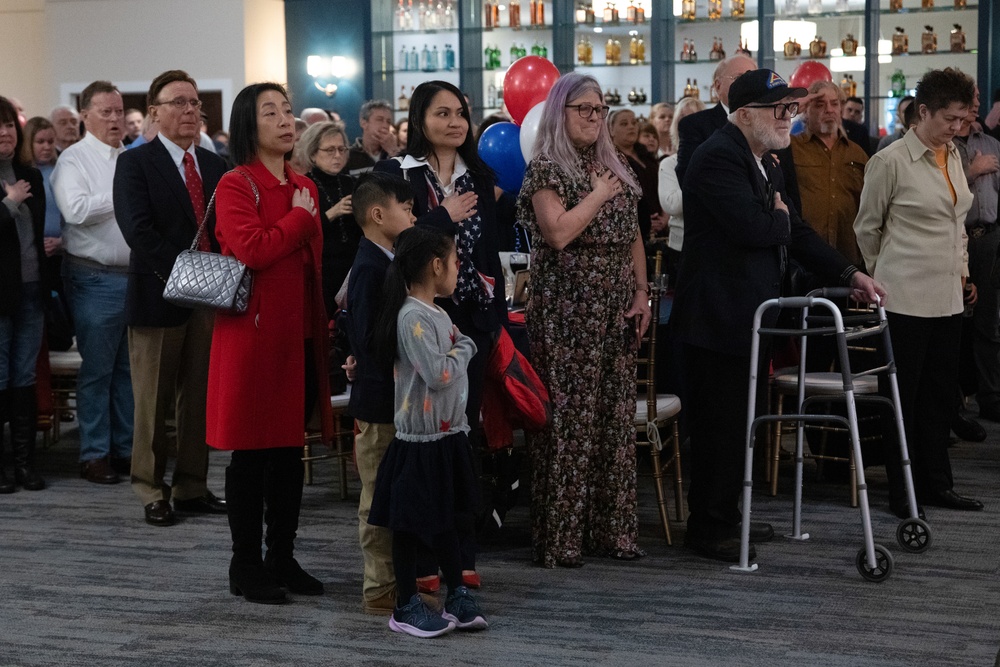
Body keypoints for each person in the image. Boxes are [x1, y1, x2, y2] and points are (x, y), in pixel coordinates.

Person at [671, 69, 884, 562]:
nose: (790, 117)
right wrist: (780, 218)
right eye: (779, 109)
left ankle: (730, 516)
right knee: (720, 427)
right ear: (745, 114)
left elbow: (798, 230)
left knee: (741, 424)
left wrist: (850, 273)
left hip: (752, 315)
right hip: (716, 318)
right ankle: (709, 528)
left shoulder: (766, 160)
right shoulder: (718, 156)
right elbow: (753, 227)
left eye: (791, 108)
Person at [375, 79, 509, 588]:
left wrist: (491, 318)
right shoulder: (399, 173)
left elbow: (492, 251)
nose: (455, 122)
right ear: (420, 118)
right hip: (415, 318)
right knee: (419, 442)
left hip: (468, 320)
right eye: (442, 113)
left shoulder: (480, 176)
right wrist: (440, 216)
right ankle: (422, 563)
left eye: (462, 113)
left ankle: (460, 560)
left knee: (460, 438)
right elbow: (390, 239)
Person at [516, 72, 651, 568]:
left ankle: (612, 532)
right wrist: (595, 196)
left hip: (616, 306)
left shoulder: (611, 165)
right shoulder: (546, 169)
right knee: (569, 424)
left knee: (614, 424)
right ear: (560, 112)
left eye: (600, 109)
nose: (595, 118)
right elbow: (556, 233)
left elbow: (632, 234)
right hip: (567, 310)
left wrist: (642, 292)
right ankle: (563, 538)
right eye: (584, 109)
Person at [207, 82, 333, 604]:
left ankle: (282, 555)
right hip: (254, 337)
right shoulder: (237, 183)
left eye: (287, 110)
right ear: (247, 125)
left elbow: (310, 262)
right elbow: (253, 250)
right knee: (253, 455)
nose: (285, 120)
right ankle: (246, 562)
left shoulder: (305, 183)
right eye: (270, 112)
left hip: (299, 333)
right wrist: (301, 220)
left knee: (288, 453)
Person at [854, 68, 984, 517]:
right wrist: (883, 278)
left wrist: (964, 274)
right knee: (902, 401)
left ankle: (936, 485)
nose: (957, 127)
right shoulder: (889, 161)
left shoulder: (953, 155)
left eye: (963, 119)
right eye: (949, 119)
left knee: (938, 398)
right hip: (904, 299)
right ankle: (903, 492)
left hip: (947, 295)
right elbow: (866, 229)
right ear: (922, 111)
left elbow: (957, 226)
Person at [112, 70, 229, 527]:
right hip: (158, 295)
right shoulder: (136, 163)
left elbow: (223, 232)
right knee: (153, 402)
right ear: (155, 111)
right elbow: (138, 231)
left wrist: (213, 279)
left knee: (198, 398)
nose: (189, 111)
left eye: (195, 103)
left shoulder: (216, 166)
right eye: (178, 102)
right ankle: (150, 489)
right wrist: (185, 275)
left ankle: (191, 486)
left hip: (209, 300)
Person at [368, 225, 487, 638]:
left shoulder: (437, 311)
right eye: (455, 262)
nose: (458, 270)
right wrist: (466, 347)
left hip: (448, 435)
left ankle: (456, 593)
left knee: (449, 519)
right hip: (419, 441)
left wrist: (458, 345)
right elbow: (439, 373)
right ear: (437, 265)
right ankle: (405, 606)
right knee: (410, 524)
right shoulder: (412, 316)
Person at [51, 81, 134, 485]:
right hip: (93, 278)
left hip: (132, 276)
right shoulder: (74, 160)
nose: (116, 119)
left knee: (127, 371)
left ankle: (125, 449)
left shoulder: (130, 157)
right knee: (99, 371)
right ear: (85, 116)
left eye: (119, 111)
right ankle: (94, 454)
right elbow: (77, 210)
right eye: (106, 112)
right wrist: (122, 195)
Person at [345, 172, 415, 616]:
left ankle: (399, 581)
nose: (412, 214)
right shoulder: (369, 266)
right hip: (377, 400)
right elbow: (370, 338)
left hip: (394, 398)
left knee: (399, 494)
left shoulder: (386, 258)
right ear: (377, 214)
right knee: (376, 497)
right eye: (406, 208)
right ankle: (378, 588)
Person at [0, 96, 48, 493]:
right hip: (0, 296)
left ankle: (24, 464)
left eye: (10, 125)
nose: (5, 132)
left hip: (32, 290)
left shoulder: (30, 173)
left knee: (24, 377)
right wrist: (8, 204)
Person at [954, 87, 1000, 426]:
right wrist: (972, 171)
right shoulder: (944, 146)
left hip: (989, 238)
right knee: (952, 322)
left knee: (987, 322)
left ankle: (990, 397)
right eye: (972, 98)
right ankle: (954, 403)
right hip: (956, 238)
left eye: (979, 99)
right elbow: (945, 193)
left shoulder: (992, 144)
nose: (978, 104)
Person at [789, 80, 869, 266]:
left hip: (849, 256)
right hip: (804, 258)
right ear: (805, 112)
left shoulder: (857, 153)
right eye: (819, 104)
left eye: (835, 104)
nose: (829, 110)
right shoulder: (790, 149)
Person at [298, 121, 361, 314]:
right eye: (330, 150)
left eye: (342, 149)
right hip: (323, 270)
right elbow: (301, 233)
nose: (338, 156)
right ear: (313, 153)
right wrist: (332, 213)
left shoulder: (352, 182)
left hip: (354, 267)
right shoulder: (304, 185)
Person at [676, 54, 756, 184]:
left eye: (752, 79)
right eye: (738, 78)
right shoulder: (695, 125)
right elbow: (688, 177)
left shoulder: (768, 121)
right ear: (718, 86)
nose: (747, 85)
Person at [657, 96, 705, 271]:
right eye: (683, 118)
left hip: (714, 245)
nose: (688, 124)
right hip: (681, 246)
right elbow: (673, 205)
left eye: (693, 117)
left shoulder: (716, 160)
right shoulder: (669, 164)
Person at [608, 108, 662, 241]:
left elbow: (662, 186)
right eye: (624, 124)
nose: (631, 127)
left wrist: (665, 217)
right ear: (611, 130)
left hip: (661, 222)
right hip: (634, 227)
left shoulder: (646, 155)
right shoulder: (611, 160)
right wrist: (645, 220)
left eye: (634, 122)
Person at [346, 100, 399, 175]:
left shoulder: (391, 152)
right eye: (380, 120)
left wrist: (393, 152)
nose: (385, 126)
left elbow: (403, 180)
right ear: (363, 123)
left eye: (388, 121)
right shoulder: (348, 155)